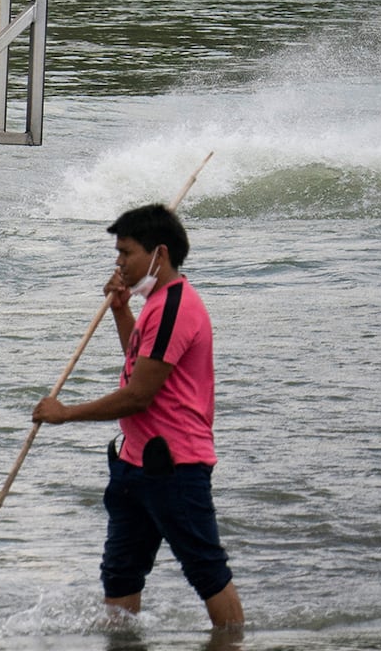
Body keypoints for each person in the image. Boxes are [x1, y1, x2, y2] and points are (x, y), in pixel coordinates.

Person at [33, 204, 245, 630]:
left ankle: (234, 640)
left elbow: (138, 396)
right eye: (118, 253)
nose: (119, 263)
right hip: (134, 462)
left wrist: (65, 414)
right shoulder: (155, 303)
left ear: (158, 254)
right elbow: (140, 361)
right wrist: (121, 310)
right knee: (120, 573)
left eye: (126, 253)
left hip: (175, 465)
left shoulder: (175, 307)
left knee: (206, 571)